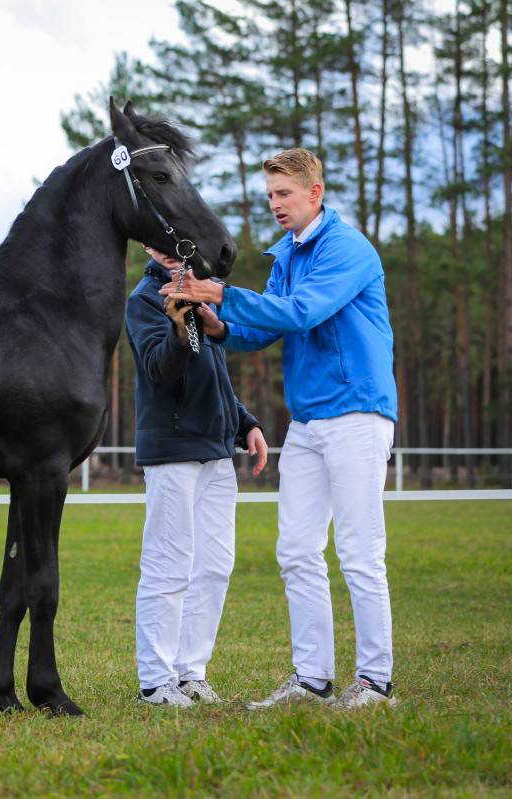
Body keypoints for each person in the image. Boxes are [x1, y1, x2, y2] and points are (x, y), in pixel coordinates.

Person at [161, 148, 399, 709]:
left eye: (283, 194)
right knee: (295, 551)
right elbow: (263, 324)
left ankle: (375, 681)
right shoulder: (288, 256)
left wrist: (219, 291)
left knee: (361, 552)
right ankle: (312, 680)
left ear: (315, 193)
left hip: (358, 414)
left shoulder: (347, 249)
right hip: (309, 422)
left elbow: (301, 313)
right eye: (269, 195)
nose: (274, 205)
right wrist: (218, 325)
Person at [126, 247, 268, 707]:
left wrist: (245, 421)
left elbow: (214, 372)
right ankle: (155, 681)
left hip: (217, 449)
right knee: (169, 564)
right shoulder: (145, 299)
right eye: (164, 245)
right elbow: (159, 369)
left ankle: (191, 672)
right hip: (172, 450)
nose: (175, 252)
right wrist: (179, 326)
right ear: (150, 247)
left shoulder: (200, 291)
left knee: (214, 566)